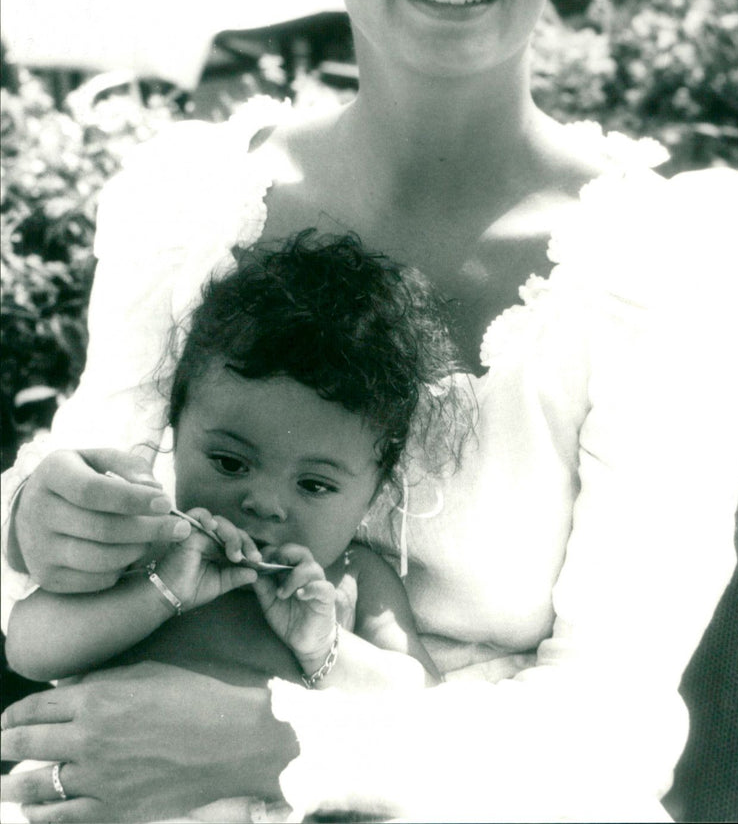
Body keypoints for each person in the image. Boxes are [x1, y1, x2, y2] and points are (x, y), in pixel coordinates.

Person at [0, 0, 738, 824]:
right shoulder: (191, 205)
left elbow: (609, 725)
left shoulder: (664, 262)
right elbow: (69, 529)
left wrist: (274, 746)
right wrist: (39, 521)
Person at [4, 230, 452, 822]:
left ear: (375, 490)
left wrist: (324, 647)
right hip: (106, 800)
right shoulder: (151, 542)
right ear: (175, 428)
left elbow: (422, 705)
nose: (264, 503)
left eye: (315, 485)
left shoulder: (352, 577)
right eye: (230, 463)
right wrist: (161, 591)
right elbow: (29, 650)